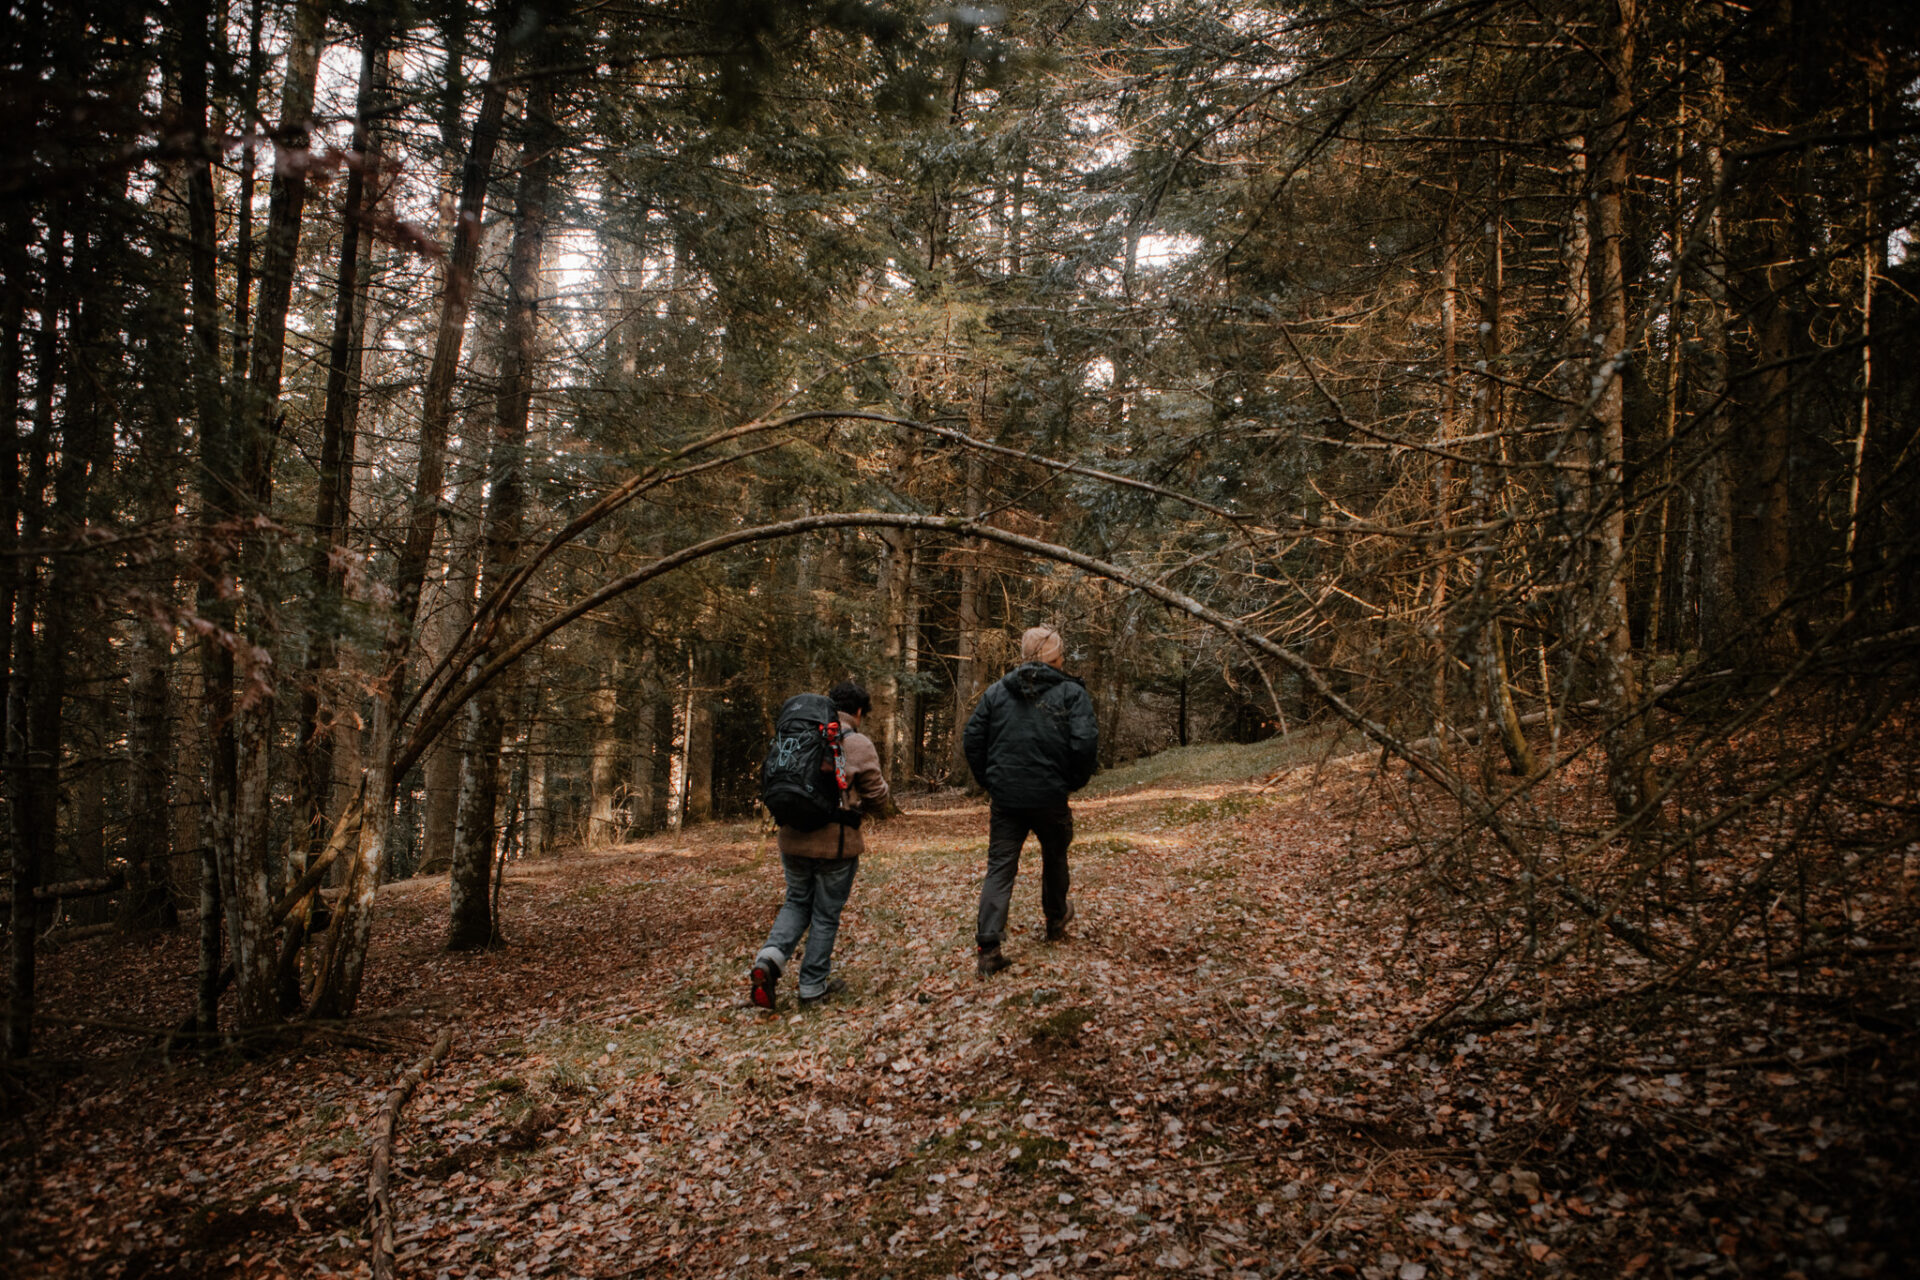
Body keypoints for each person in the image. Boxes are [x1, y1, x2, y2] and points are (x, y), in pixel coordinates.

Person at [964, 626, 1099, 977]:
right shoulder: (1071, 693)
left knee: (1001, 866)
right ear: (1056, 657)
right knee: (1055, 856)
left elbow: (973, 739)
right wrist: (1071, 782)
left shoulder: (997, 693)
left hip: (1007, 797)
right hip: (1049, 795)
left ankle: (989, 948)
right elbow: (1084, 744)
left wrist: (991, 781)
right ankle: (1055, 920)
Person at [750, 680, 890, 1010]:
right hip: (835, 846)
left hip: (792, 838)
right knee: (825, 915)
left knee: (796, 902)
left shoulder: (800, 734)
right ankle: (812, 986)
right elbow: (879, 797)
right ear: (858, 711)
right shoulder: (857, 742)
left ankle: (768, 960)